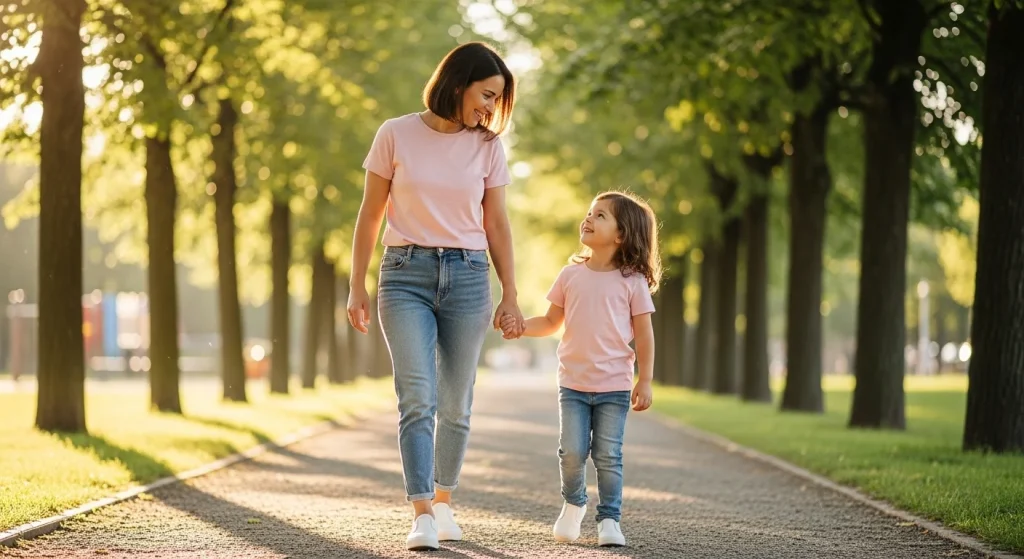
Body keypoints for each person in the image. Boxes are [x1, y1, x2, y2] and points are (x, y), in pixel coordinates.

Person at [346, 42, 525, 552]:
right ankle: (422, 512)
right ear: (458, 83)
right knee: (417, 397)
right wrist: (356, 284)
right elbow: (370, 213)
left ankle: (444, 501)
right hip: (405, 275)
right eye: (486, 94)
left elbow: (497, 223)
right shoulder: (395, 133)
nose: (490, 108)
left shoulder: (487, 147)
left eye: (497, 100)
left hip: (469, 276)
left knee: (456, 402)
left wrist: (511, 293)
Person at [500, 191, 660, 547]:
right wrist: (520, 327)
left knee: (608, 455)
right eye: (589, 212)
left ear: (621, 235)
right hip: (572, 384)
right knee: (571, 452)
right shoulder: (570, 275)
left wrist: (645, 379)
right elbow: (550, 321)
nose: (588, 218)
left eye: (600, 215)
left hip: (614, 386)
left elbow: (644, 335)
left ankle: (610, 519)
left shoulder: (632, 281)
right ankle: (574, 504)